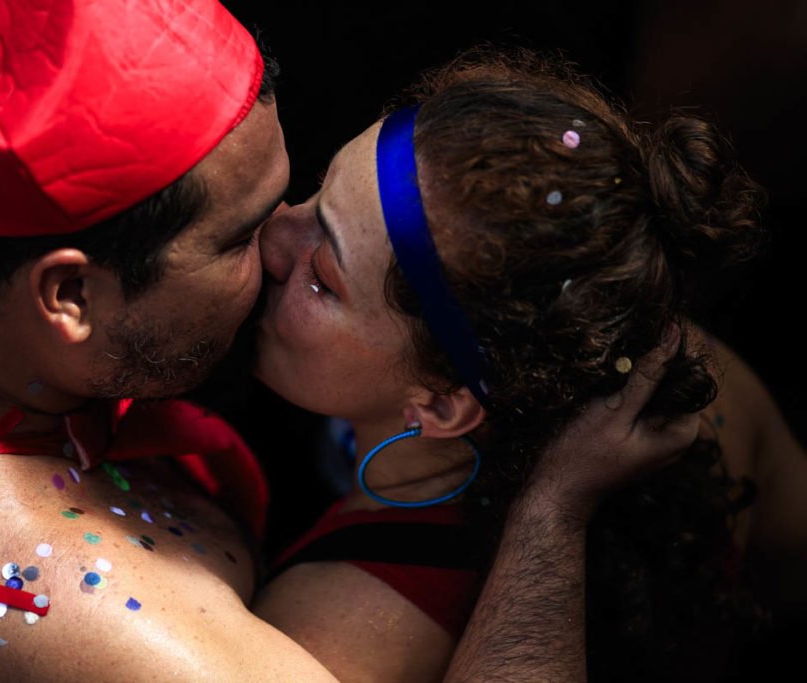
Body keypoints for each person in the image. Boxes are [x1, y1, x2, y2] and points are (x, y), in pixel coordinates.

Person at [0, 2, 691, 681]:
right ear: (68, 294)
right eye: (236, 237)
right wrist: (549, 515)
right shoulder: (141, 641)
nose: (278, 246)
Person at [250, 50, 803, 682]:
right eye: (320, 191)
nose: (271, 235)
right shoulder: (697, 388)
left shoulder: (335, 628)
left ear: (441, 403)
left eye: (323, 279)